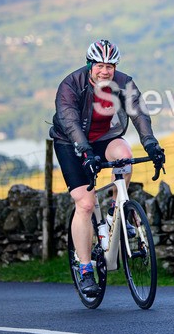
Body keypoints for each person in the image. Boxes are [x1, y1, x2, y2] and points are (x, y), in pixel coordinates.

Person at [50, 39, 165, 296]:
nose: (105, 71)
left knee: (124, 155)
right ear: (90, 65)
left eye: (110, 66)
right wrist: (85, 152)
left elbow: (139, 113)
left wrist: (151, 144)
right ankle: (85, 269)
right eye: (100, 66)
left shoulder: (123, 83)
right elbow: (70, 122)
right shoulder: (71, 85)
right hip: (70, 143)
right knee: (86, 203)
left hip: (104, 139)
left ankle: (117, 211)